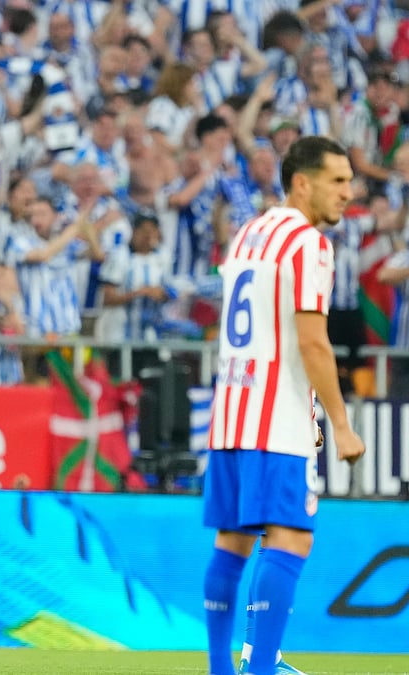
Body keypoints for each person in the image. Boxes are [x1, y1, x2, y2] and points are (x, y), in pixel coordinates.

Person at [201, 136, 365, 675]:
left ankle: (225, 668)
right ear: (302, 182)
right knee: (291, 535)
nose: (348, 192)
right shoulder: (311, 244)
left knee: (234, 538)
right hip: (277, 415)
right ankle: (262, 669)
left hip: (231, 409)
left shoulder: (249, 232)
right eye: (337, 181)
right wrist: (340, 423)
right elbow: (312, 341)